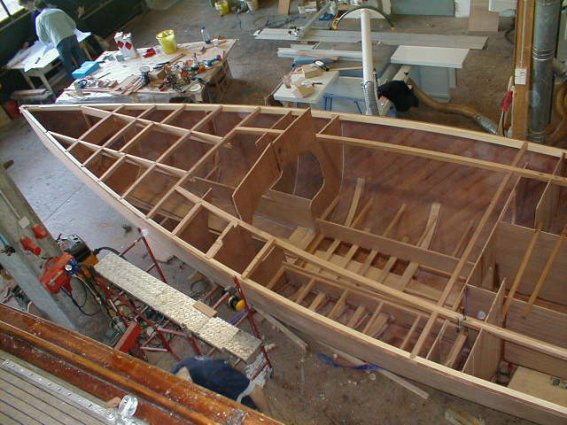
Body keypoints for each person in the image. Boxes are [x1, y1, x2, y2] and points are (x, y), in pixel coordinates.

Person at [171, 356, 270, 413]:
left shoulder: (217, 374)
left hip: (241, 404)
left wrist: (270, 421)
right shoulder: (172, 378)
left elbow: (256, 391)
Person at [34, 0, 86, 77]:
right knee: (81, 59)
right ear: (46, 4)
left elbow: (42, 37)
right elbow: (73, 24)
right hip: (71, 36)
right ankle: (90, 75)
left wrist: (50, 40)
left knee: (69, 65)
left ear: (37, 9)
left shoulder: (39, 19)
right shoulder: (58, 11)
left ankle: (77, 79)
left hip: (59, 41)